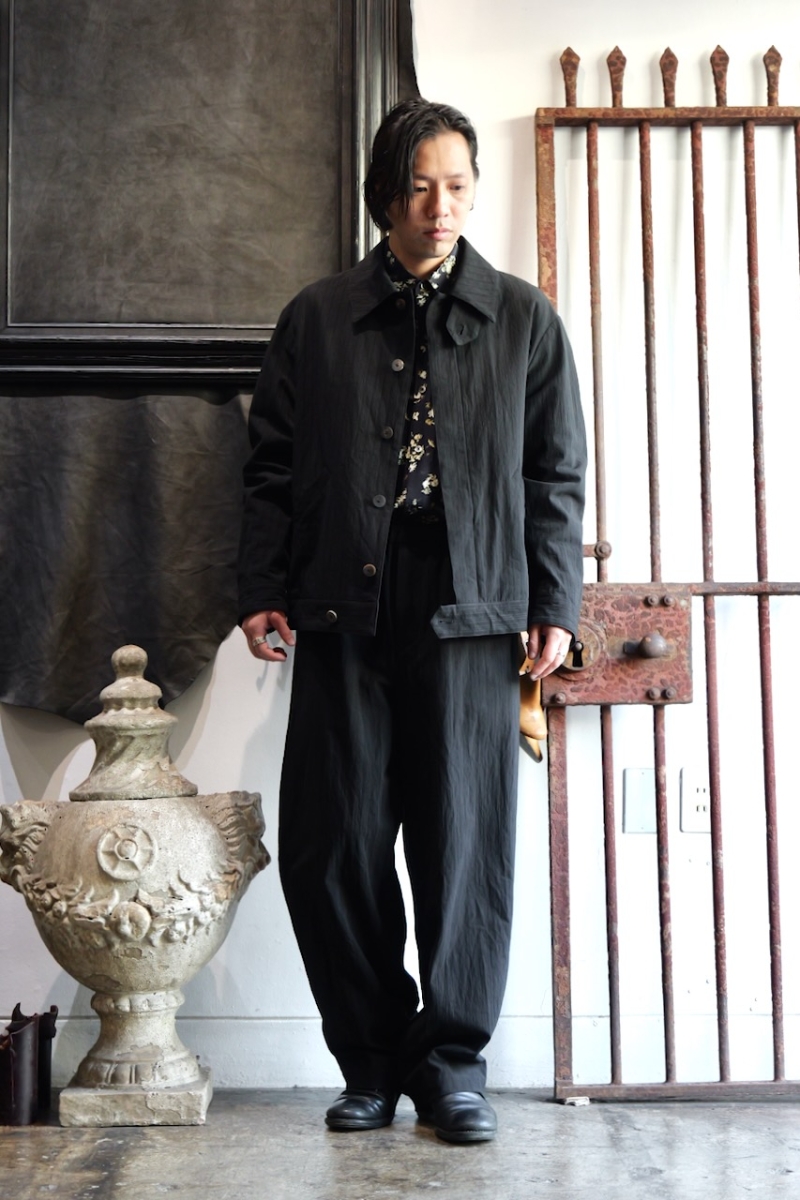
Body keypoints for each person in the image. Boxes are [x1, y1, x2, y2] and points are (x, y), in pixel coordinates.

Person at [238, 98, 586, 1144]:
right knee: (333, 844)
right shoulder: (316, 318)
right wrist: (260, 584)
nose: (442, 208)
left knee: (461, 845)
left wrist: (552, 602)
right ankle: (372, 1062)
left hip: (470, 606)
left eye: (459, 187)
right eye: (422, 188)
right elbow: (269, 467)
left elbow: (554, 475)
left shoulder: (523, 319)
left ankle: (452, 1069)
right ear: (385, 195)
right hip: (342, 602)